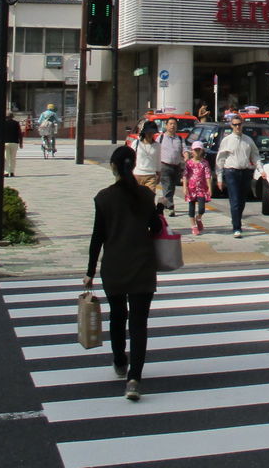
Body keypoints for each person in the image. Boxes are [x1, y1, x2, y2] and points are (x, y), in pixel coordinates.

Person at [83, 144, 162, 401]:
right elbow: (154, 227)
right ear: (134, 164)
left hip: (114, 265)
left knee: (118, 316)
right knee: (139, 324)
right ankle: (134, 379)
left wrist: (90, 271)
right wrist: (158, 213)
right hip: (142, 264)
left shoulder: (103, 198)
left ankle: (119, 360)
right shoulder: (146, 196)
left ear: (113, 167)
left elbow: (98, 237)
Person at [215, 119, 263, 238]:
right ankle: (237, 227)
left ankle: (236, 219)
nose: (237, 127)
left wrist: (261, 170)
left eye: (239, 124)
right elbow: (220, 159)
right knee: (235, 200)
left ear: (242, 125)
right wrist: (219, 177)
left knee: (241, 201)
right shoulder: (227, 140)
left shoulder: (248, 140)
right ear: (231, 126)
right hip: (231, 171)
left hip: (245, 172)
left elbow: (255, 155)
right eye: (235, 125)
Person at [156, 118, 186, 216]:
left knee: (171, 188)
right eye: (170, 124)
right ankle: (170, 207)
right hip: (164, 166)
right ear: (166, 125)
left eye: (174, 124)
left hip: (176, 167)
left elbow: (184, 149)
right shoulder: (160, 138)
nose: (172, 126)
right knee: (167, 186)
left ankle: (163, 203)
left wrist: (186, 155)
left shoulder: (180, 139)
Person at [183, 141, 211, 235]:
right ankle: (193, 226)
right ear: (192, 151)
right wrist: (184, 187)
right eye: (195, 150)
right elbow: (185, 175)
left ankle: (198, 218)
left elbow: (208, 176)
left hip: (201, 188)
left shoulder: (205, 163)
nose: (197, 152)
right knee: (191, 207)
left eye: (199, 150)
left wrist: (209, 187)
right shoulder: (189, 163)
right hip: (191, 188)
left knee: (201, 208)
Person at [133, 119, 160, 190]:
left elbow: (158, 160)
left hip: (151, 176)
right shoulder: (136, 143)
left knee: (149, 198)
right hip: (137, 174)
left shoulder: (157, 145)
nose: (150, 134)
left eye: (152, 132)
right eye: (148, 132)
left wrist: (159, 173)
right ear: (144, 132)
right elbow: (131, 158)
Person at [1, 110, 23, 177]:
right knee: (13, 158)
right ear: (12, 117)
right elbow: (20, 133)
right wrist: (21, 143)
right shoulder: (16, 123)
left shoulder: (2, 123)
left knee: (6, 158)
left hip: (5, 142)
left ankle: (6, 172)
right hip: (14, 142)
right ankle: (12, 172)